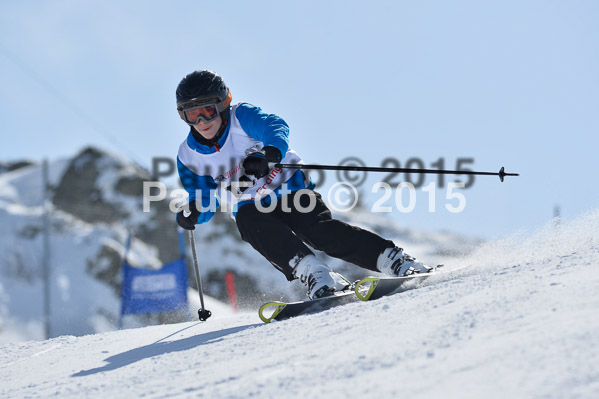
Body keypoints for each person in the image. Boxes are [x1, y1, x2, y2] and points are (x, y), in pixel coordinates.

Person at [175, 69, 433, 300]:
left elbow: (274, 126)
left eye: (207, 111)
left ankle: (394, 260)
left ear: (222, 104)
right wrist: (196, 211)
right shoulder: (188, 156)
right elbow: (204, 196)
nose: (201, 122)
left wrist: (269, 154)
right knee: (247, 221)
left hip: (290, 189)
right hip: (251, 205)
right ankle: (318, 275)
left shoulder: (241, 116)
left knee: (317, 232)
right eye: (192, 114)